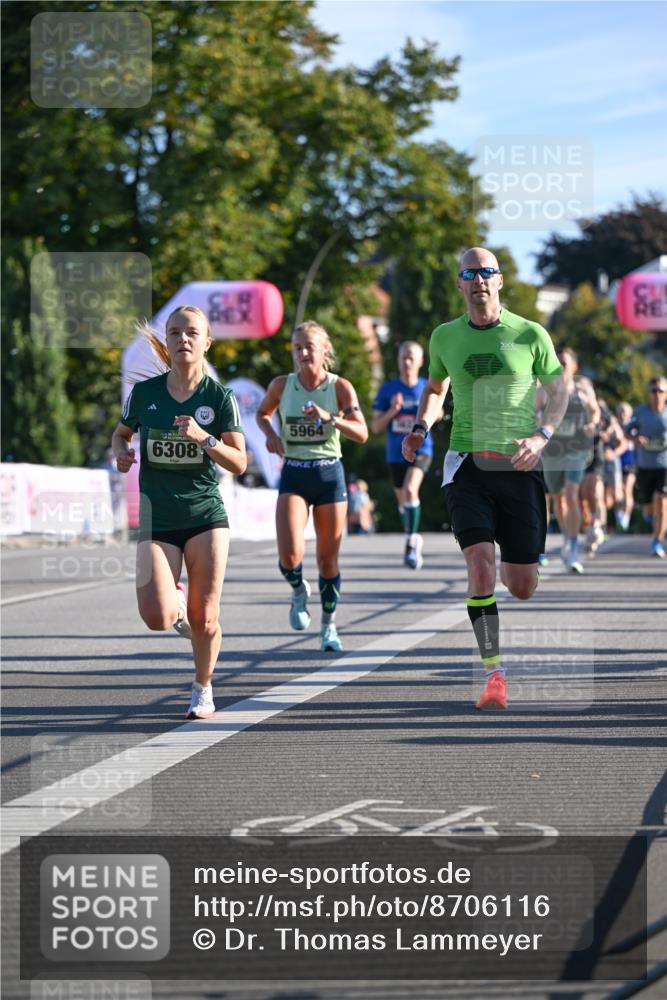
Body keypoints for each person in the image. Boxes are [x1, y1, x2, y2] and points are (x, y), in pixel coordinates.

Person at [402, 247, 568, 711]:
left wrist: (542, 435)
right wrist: (420, 427)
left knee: (521, 585)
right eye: (469, 273)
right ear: (459, 284)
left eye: (487, 272)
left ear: (499, 281)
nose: (479, 279)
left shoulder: (530, 334)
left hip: (518, 466)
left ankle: (529, 560)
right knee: (479, 563)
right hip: (466, 464)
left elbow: (559, 391)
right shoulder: (444, 337)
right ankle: (494, 672)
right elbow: (436, 388)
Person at [111, 305, 246, 720]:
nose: (182, 339)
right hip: (157, 517)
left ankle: (202, 688)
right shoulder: (146, 394)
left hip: (205, 514)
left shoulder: (219, 397)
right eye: (174, 333)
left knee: (205, 619)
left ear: (206, 342)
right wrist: (122, 453)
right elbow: (120, 433)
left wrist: (204, 438)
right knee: (157, 616)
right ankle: (177, 599)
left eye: (191, 333)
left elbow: (239, 462)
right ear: (166, 343)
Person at [256, 321, 368, 651]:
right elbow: (263, 414)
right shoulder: (282, 385)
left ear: (324, 351)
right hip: (295, 472)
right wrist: (272, 435)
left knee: (327, 560)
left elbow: (361, 433)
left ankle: (328, 626)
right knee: (290, 555)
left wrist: (329, 417)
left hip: (329, 473)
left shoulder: (339, 388)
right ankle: (297, 590)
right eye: (297, 348)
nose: (303, 353)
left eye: (309, 347)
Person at [371, 341, 434, 568]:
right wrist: (393, 411)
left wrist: (428, 416)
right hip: (395, 453)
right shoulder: (388, 390)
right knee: (402, 502)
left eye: (411, 357)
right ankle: (412, 534)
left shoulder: (426, 387)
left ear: (420, 361)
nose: (406, 362)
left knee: (410, 489)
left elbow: (439, 410)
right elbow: (376, 427)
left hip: (421, 450)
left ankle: (411, 541)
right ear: (397, 361)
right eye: (402, 357)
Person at [537, 348, 599, 573]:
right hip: (553, 450)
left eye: (564, 362)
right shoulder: (545, 389)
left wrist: (592, 423)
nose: (560, 366)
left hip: (576, 449)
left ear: (574, 366)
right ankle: (566, 538)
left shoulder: (582, 389)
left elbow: (595, 410)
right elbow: (534, 411)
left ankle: (573, 546)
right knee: (558, 499)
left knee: (572, 493)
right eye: (556, 362)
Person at [627, 376, 667, 558]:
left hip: (664, 465)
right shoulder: (641, 412)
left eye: (661, 391)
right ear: (648, 393)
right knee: (649, 507)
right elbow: (627, 431)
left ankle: (657, 541)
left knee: (662, 501)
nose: (657, 394)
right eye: (654, 391)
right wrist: (635, 439)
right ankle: (650, 517)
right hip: (644, 465)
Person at [616, 401, 637, 531]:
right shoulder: (615, 426)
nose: (622, 414)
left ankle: (626, 518)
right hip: (617, 462)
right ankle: (619, 517)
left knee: (627, 490)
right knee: (618, 493)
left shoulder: (633, 427)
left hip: (631, 462)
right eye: (620, 411)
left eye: (625, 411)